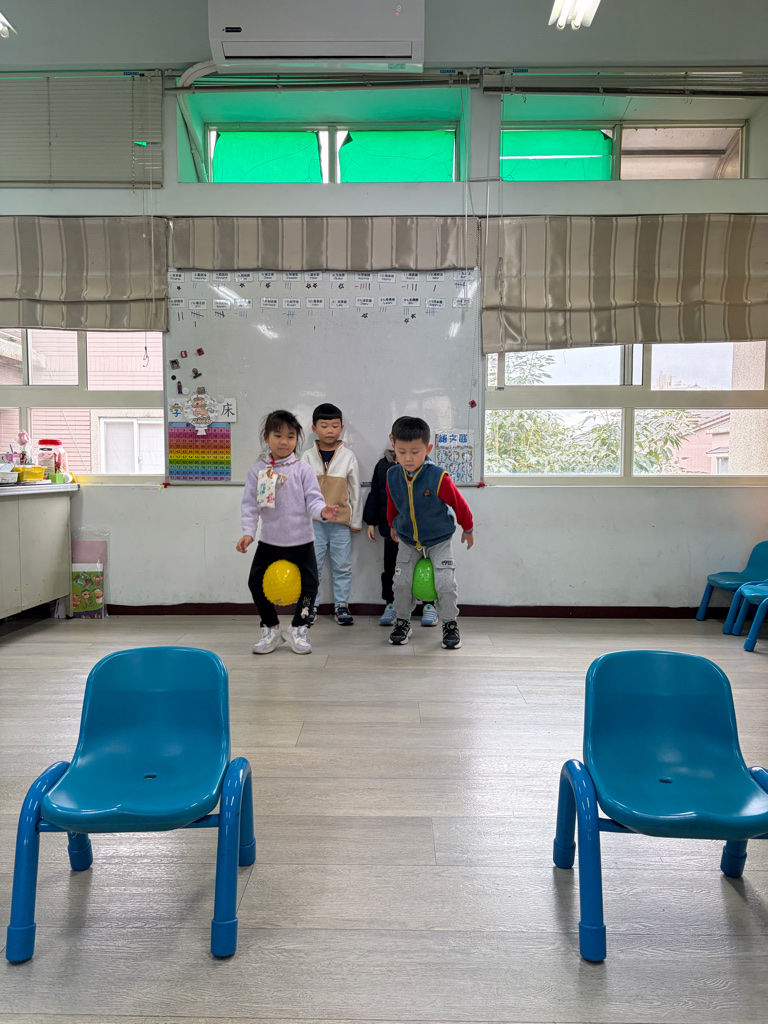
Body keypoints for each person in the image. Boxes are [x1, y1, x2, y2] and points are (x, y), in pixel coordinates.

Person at [236, 409, 338, 655]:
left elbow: (314, 500)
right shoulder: (258, 471)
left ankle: (298, 628)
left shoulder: (302, 469)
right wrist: (248, 532)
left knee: (310, 586)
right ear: (266, 437)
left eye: (290, 437)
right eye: (278, 435)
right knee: (255, 582)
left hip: (301, 541)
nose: (284, 441)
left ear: (296, 440)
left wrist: (322, 511)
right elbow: (250, 506)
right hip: (270, 541)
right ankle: (271, 628)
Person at [386, 416, 474, 650]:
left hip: (438, 540)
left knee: (445, 583)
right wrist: (392, 524)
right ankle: (403, 621)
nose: (408, 458)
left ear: (428, 448)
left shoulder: (438, 477)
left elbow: (458, 503)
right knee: (401, 583)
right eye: (401, 452)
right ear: (393, 445)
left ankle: (449, 623)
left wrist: (468, 527)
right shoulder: (392, 475)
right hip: (408, 540)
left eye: (415, 452)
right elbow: (393, 503)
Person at [363, 429, 439, 628]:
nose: (408, 455)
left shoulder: (428, 467)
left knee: (424, 568)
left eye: (414, 449)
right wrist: (371, 521)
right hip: (393, 530)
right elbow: (375, 494)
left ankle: (429, 605)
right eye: (402, 448)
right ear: (393, 441)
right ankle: (392, 605)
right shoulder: (383, 466)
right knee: (392, 569)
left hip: (420, 533)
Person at [301, 402, 362, 625]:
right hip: (313, 523)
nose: (330, 431)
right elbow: (300, 491)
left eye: (335, 426)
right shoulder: (307, 457)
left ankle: (341, 606)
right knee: (312, 567)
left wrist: (355, 521)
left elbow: (355, 491)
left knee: (342, 566)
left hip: (340, 523)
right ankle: (310, 606)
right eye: (324, 426)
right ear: (314, 428)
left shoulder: (348, 456)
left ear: (341, 428)